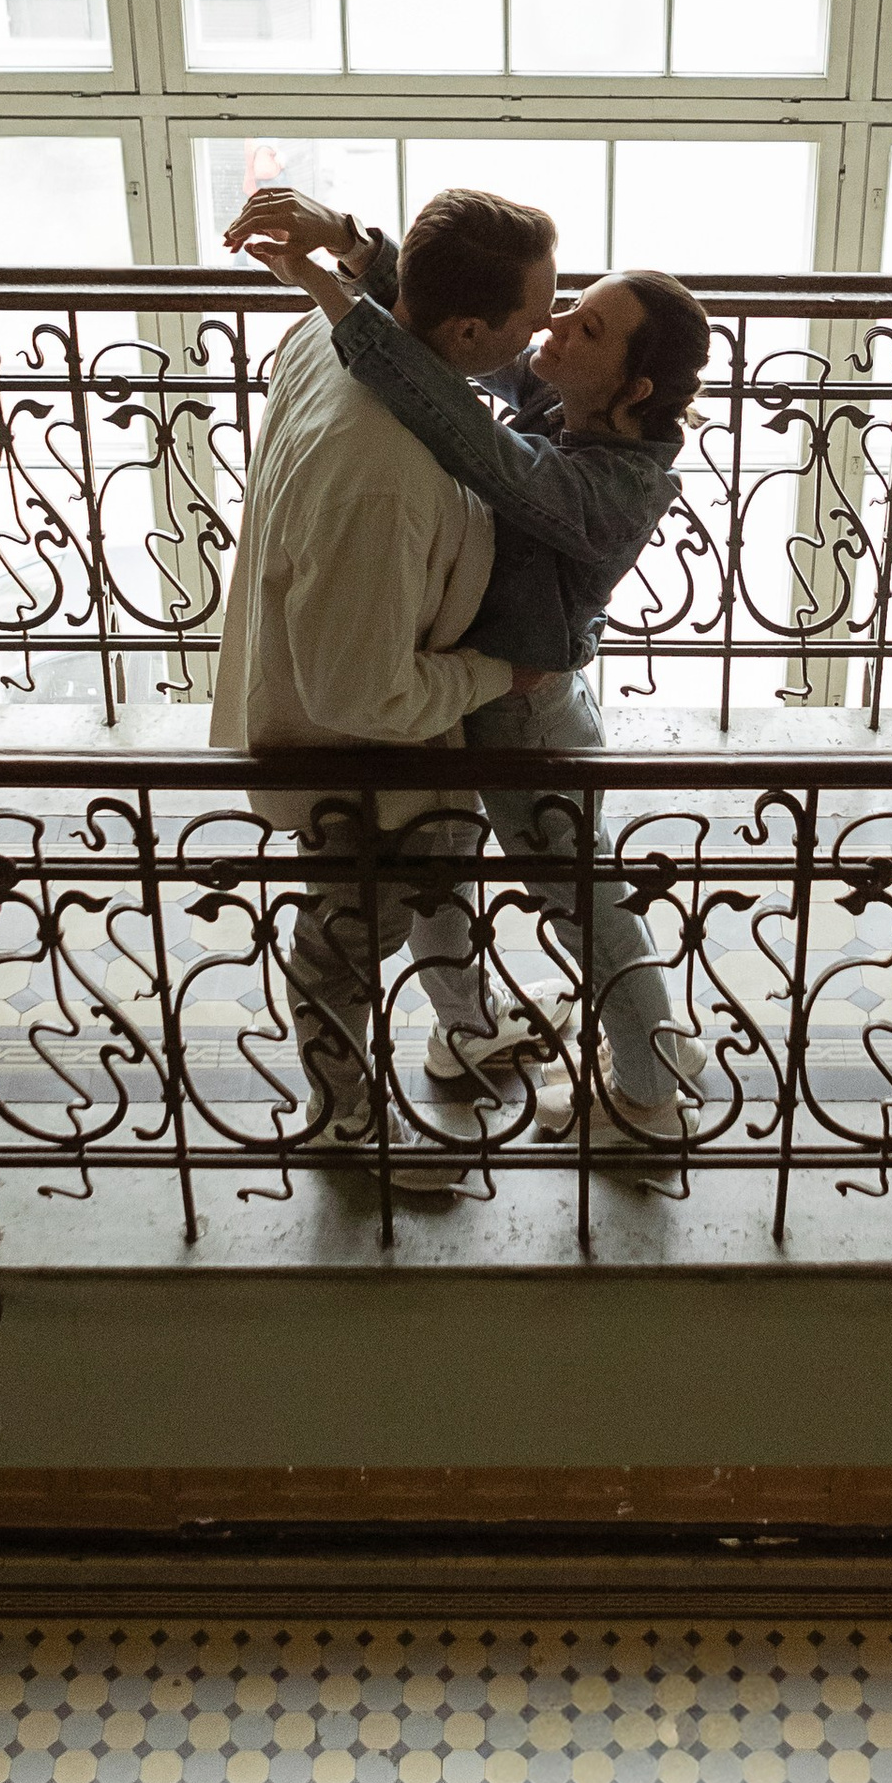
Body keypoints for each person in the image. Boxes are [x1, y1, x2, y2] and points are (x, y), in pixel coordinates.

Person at [228, 180, 712, 1155]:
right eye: (563, 305)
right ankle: (475, 1031)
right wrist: (359, 256)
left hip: (527, 712)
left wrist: (335, 295)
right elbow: (452, 334)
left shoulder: (605, 488)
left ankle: (650, 1091)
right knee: (440, 868)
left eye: (585, 325)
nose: (553, 326)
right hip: (476, 694)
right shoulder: (582, 405)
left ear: (634, 388)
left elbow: (456, 415)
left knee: (585, 905)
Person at [208, 185, 556, 1164]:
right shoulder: (383, 476)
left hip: (407, 747)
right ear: (471, 332)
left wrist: (355, 251)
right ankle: (342, 1118)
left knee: (442, 875)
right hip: (359, 760)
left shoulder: (338, 336)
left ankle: (466, 1028)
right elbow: (361, 695)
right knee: (346, 941)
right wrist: (500, 674)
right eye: (534, 315)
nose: (545, 331)